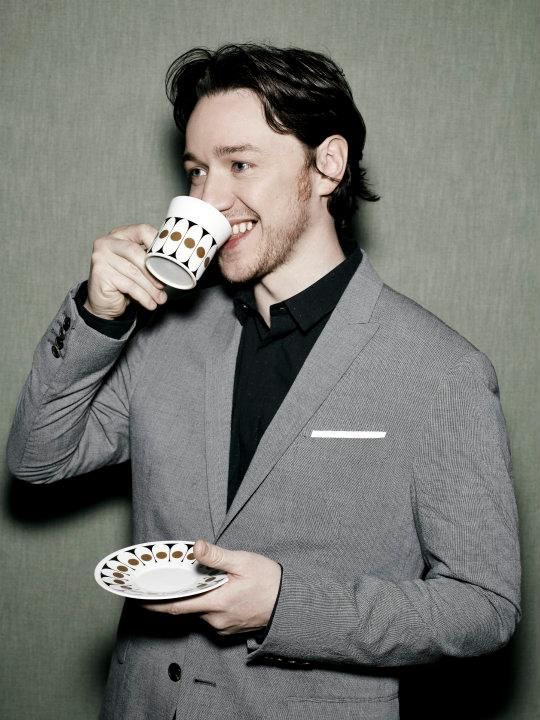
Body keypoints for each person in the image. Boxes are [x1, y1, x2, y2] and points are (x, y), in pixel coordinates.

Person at [7, 43, 521, 720]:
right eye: (195, 172)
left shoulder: (440, 371)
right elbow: (38, 462)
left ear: (326, 165)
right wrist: (97, 316)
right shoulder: (163, 338)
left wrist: (287, 605)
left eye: (239, 165)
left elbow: (483, 608)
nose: (208, 201)